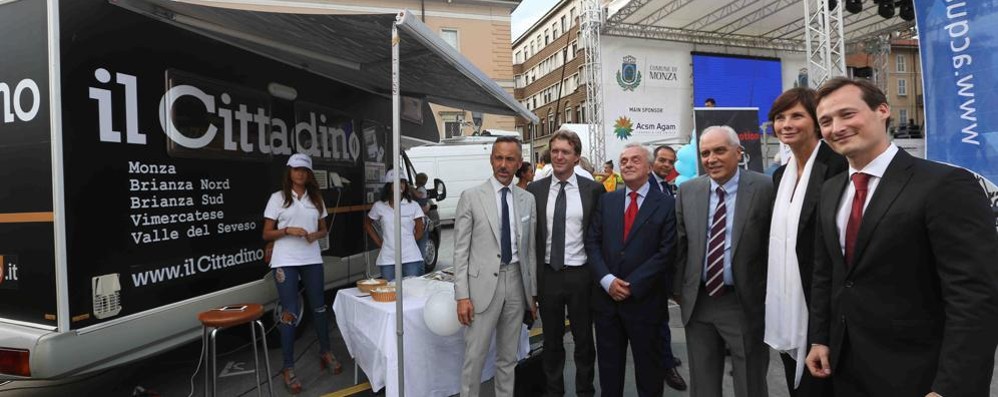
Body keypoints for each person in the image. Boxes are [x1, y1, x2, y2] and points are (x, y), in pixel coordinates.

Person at [805, 77, 998, 397]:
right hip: (846, 370)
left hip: (921, 376)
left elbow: (975, 297)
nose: (836, 127)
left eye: (847, 114)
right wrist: (820, 338)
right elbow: (827, 275)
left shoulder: (945, 185)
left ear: (883, 110)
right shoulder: (830, 191)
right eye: (825, 121)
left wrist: (951, 387)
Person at [674, 126, 774, 397]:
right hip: (699, 303)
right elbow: (680, 247)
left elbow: (773, 247)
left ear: (739, 152)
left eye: (720, 150)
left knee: (750, 383)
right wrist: (682, 293)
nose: (711, 159)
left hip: (743, 303)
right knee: (703, 385)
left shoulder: (765, 188)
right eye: (705, 153)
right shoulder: (688, 191)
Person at [765, 88, 845, 397]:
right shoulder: (780, 176)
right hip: (786, 306)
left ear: (816, 121)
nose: (786, 124)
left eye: (797, 116)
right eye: (779, 117)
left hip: (823, 304)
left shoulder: (837, 167)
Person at [585, 143, 675, 397]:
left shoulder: (666, 204)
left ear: (648, 167)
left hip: (645, 303)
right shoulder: (607, 200)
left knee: (649, 374)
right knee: (609, 374)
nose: (628, 164)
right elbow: (592, 242)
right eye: (623, 160)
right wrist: (607, 280)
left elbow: (666, 251)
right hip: (607, 304)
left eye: (635, 160)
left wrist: (631, 285)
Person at [453, 136, 538, 397]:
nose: (503, 164)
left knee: (507, 358)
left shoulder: (527, 200)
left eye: (509, 159)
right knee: (475, 357)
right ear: (491, 160)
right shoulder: (471, 197)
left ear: (518, 163)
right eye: (498, 158)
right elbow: (460, 251)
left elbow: (530, 251)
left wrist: (531, 295)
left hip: (515, 283)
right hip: (480, 288)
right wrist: (462, 295)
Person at [526, 130, 604, 397]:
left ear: (576, 158)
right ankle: (553, 392)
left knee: (584, 341)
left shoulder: (593, 190)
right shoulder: (535, 190)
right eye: (555, 151)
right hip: (548, 275)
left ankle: (585, 391)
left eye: (565, 152)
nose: (559, 156)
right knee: (551, 342)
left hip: (581, 276)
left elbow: (600, 235)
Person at [262, 153, 341, 394]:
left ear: (308, 175)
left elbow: (324, 229)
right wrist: (287, 230)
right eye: (296, 169)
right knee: (289, 313)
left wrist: (314, 235)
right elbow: (267, 234)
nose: (300, 174)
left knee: (319, 308)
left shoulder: (316, 198)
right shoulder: (278, 198)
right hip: (285, 260)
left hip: (311, 258)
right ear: (289, 172)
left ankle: (325, 352)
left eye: (304, 170)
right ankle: (288, 367)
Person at [647, 144, 687, 391]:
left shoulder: (668, 187)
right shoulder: (647, 186)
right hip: (650, 267)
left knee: (660, 317)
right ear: (653, 161)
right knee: (657, 319)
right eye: (662, 160)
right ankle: (664, 364)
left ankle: (665, 357)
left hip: (665, 266)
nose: (666, 165)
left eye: (670, 162)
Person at [364, 169, 426, 281]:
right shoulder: (379, 206)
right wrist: (380, 242)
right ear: (389, 186)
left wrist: (408, 241)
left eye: (402, 182)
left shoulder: (413, 205)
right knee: (389, 293)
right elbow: (367, 223)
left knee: (413, 291)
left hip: (410, 257)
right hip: (388, 258)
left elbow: (420, 230)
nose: (400, 185)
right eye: (396, 182)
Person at [414, 172, 431, 257]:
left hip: (421, 216)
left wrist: (411, 189)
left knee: (420, 245)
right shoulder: (422, 188)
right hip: (422, 214)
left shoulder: (421, 189)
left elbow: (419, 195)